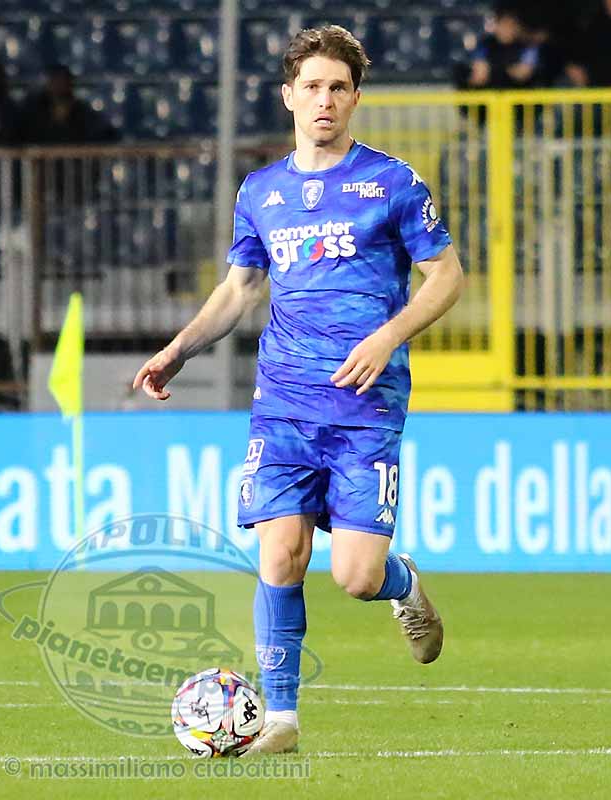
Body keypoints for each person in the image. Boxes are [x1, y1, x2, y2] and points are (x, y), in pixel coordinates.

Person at [133, 25, 464, 755]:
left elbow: (447, 276)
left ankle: (402, 585)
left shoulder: (393, 183)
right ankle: (280, 718)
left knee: (355, 575)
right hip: (282, 403)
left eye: (338, 87)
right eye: (312, 86)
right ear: (288, 96)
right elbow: (240, 289)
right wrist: (179, 349)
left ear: (355, 98)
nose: (325, 100)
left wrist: (388, 336)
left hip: (365, 406)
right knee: (280, 553)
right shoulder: (261, 191)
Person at [466, 2, 549, 89]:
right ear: (496, 25)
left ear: (517, 27)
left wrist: (495, 70)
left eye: (511, 25)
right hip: (492, 93)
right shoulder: (485, 44)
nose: (506, 29)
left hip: (524, 93)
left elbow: (523, 74)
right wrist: (480, 72)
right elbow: (479, 75)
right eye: (503, 24)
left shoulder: (528, 45)